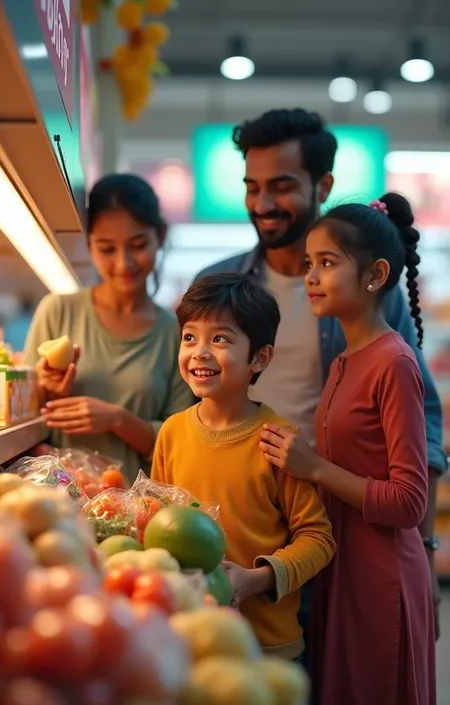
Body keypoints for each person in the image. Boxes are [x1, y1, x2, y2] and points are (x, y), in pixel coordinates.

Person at [193, 108, 446, 649]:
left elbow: (419, 423)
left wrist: (423, 553)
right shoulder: (219, 289)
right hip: (245, 528)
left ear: (322, 184)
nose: (262, 204)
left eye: (281, 186)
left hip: (340, 526)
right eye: (252, 186)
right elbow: (189, 409)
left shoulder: (368, 299)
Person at [260, 194, 436, 705]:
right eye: (309, 264)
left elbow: (409, 502)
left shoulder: (394, 363)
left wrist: (313, 467)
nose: (311, 276)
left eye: (328, 263)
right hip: (340, 565)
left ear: (375, 274)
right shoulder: (342, 361)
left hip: (381, 574)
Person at [151, 273, 336, 658]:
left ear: (259, 357)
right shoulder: (171, 432)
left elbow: (318, 539)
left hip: (267, 646)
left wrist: (255, 580)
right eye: (190, 337)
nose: (200, 352)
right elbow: (156, 520)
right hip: (192, 638)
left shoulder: (279, 440)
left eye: (219, 339)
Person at [24, 173, 193, 480]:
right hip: (63, 500)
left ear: (161, 236)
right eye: (106, 248)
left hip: (142, 508)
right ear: (89, 244)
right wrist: (47, 390)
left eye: (138, 244)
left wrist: (117, 419)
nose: (123, 262)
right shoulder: (58, 311)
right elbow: (23, 419)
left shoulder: (176, 333)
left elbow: (181, 440)